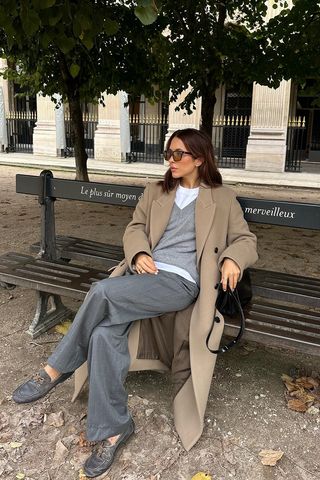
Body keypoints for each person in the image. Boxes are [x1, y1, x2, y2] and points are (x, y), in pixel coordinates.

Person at [12, 128, 258, 478]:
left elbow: (247, 240)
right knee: (102, 336)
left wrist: (233, 257)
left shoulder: (223, 198)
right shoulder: (156, 191)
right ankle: (114, 429)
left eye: (178, 154)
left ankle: (55, 369)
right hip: (142, 276)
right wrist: (139, 251)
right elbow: (134, 227)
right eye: (168, 153)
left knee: (100, 292)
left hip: (181, 283)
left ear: (199, 159)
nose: (170, 161)